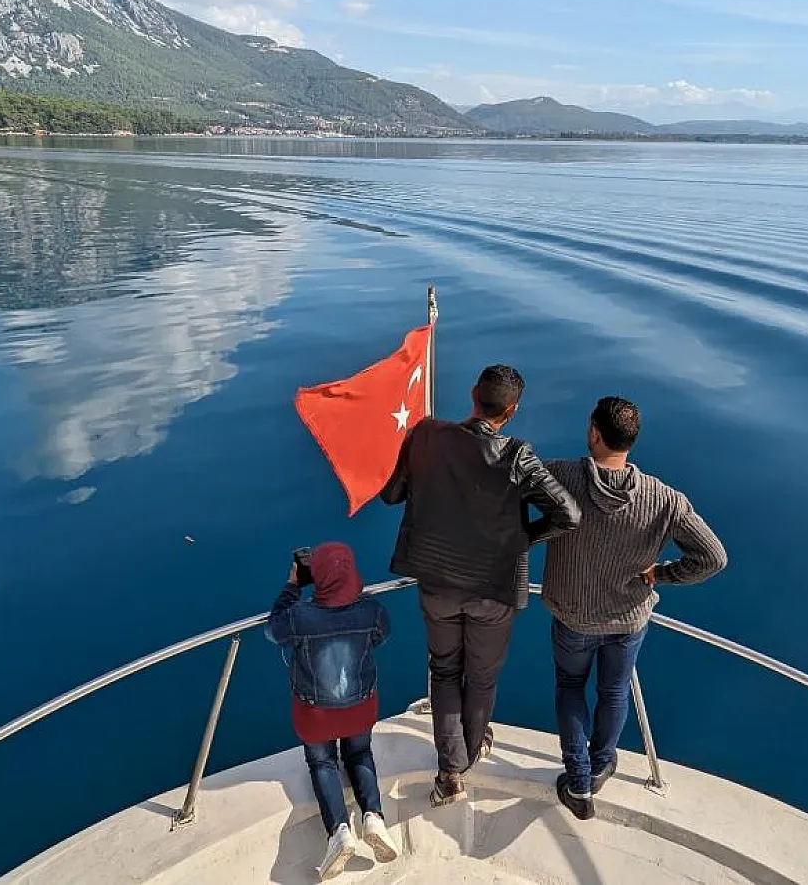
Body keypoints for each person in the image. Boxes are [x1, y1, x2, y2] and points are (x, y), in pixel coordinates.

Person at [381, 363, 582, 807]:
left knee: (444, 670)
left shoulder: (424, 435)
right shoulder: (517, 456)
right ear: (511, 411)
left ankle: (451, 771)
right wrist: (521, 539)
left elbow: (391, 495)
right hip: (493, 588)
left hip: (437, 582)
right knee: (483, 677)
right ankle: (465, 756)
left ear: (472, 392)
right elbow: (568, 514)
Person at [542, 396, 727, 820]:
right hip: (628, 620)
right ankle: (603, 761)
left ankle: (578, 782)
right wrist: (661, 574)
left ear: (593, 432)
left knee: (571, 688)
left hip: (573, 617)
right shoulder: (665, 500)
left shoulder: (560, 477)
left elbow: (511, 479)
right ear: (631, 440)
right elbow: (713, 558)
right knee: (613, 691)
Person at [267, 542, 399, 880]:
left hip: (316, 716)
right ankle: (374, 817)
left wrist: (292, 586)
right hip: (360, 708)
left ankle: (339, 832)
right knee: (359, 754)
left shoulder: (299, 618)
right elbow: (382, 635)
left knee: (322, 762)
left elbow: (273, 630)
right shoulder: (372, 611)